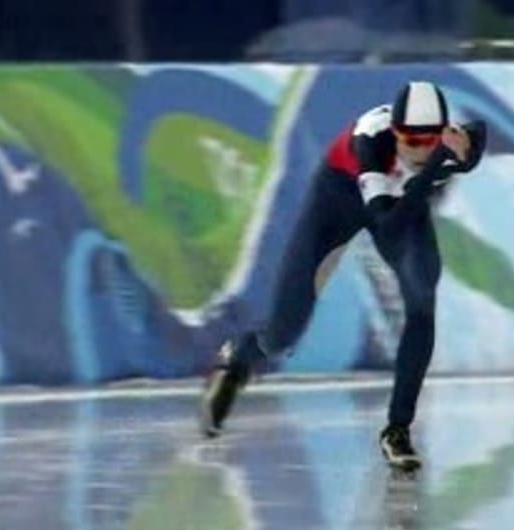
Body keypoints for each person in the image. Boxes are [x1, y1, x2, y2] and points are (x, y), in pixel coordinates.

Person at [199, 80, 487, 471]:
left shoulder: (462, 143)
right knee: (284, 335)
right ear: (395, 132)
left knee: (422, 303)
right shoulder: (370, 142)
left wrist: (445, 159)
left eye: (428, 141)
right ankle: (238, 358)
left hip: (404, 204)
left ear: (444, 133)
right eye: (410, 141)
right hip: (340, 201)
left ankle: (397, 429)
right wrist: (436, 163)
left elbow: (470, 144)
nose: (419, 150)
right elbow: (387, 227)